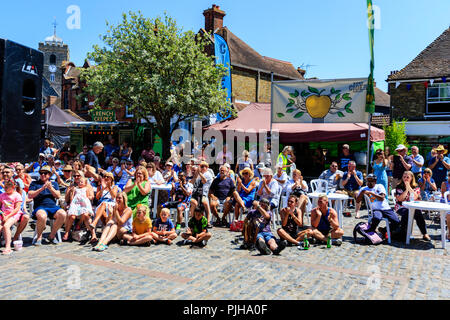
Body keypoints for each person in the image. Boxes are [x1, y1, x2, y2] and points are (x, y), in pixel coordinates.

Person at [28, 166, 67, 245]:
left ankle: (52, 235)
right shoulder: (34, 183)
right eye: (41, 173)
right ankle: (39, 236)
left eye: (45, 173)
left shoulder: (54, 183)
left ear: (49, 175)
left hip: (52, 207)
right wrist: (41, 189)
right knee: (42, 216)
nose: (43, 175)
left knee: (63, 214)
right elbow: (30, 195)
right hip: (40, 207)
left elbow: (58, 196)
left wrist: (50, 188)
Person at [394, 171, 430, 241]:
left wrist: (409, 187)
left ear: (411, 178)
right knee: (407, 212)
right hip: (401, 207)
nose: (406, 179)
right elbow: (400, 199)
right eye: (404, 177)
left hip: (413, 207)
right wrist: (406, 189)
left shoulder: (415, 186)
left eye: (407, 177)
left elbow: (415, 197)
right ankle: (404, 233)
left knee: (418, 213)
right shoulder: (399, 186)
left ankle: (425, 233)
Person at [63, 171, 95, 241]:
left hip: (84, 205)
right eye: (74, 176)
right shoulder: (72, 186)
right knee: (71, 215)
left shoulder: (87, 186)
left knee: (86, 215)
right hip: (75, 205)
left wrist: (86, 198)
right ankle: (67, 232)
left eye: (78, 176)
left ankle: (93, 234)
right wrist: (70, 192)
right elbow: (67, 199)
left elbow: (91, 196)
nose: (76, 177)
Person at [90, 172, 119, 242]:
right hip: (101, 204)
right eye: (105, 176)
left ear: (111, 179)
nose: (106, 178)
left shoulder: (114, 187)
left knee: (104, 205)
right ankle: (106, 229)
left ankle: (95, 222)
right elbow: (97, 197)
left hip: (110, 203)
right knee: (102, 207)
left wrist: (109, 187)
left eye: (108, 177)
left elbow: (113, 196)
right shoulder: (100, 187)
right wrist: (102, 188)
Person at [0, 180, 27, 255]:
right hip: (3, 214)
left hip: (13, 214)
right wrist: (2, 214)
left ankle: (8, 246)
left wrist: (8, 216)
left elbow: (17, 209)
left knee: (6, 226)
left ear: (13, 187)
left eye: (6, 187)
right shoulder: (2, 195)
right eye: (4, 187)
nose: (4, 189)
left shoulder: (17, 195)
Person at [189, 162, 214, 227]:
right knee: (194, 202)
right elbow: (191, 183)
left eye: (203, 166)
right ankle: (193, 219)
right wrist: (196, 174)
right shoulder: (196, 175)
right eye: (201, 166)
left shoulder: (206, 174)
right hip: (196, 194)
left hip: (205, 193)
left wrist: (199, 173)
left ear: (207, 167)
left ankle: (208, 221)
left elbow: (204, 181)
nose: (202, 168)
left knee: (204, 202)